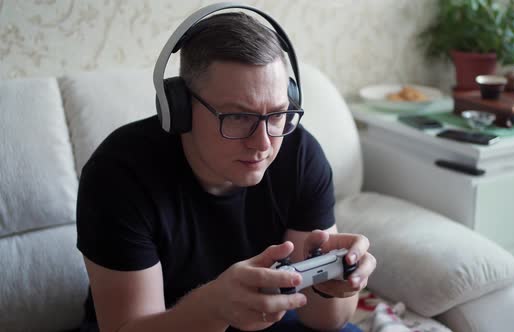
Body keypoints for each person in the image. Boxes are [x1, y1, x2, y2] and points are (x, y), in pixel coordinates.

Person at [76, 6, 376, 332]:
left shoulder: (299, 153)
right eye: (237, 117)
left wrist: (340, 281)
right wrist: (215, 307)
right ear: (180, 108)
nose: (262, 143)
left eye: (277, 114)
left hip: (262, 315)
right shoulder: (118, 174)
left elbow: (325, 321)